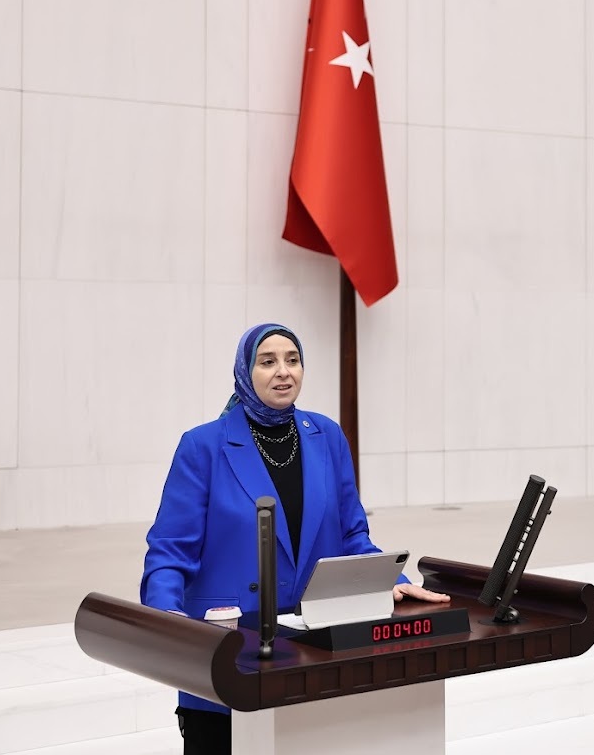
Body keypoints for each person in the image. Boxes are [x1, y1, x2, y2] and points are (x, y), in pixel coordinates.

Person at [142, 322, 449, 754]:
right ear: (245, 371)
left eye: (293, 360)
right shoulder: (202, 447)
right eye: (267, 362)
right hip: (229, 653)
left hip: (310, 651)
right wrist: (165, 620)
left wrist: (393, 581)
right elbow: (170, 552)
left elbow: (352, 535)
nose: (283, 371)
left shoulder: (326, 436)